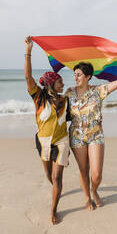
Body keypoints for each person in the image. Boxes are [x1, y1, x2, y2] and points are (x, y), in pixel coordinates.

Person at [65, 50, 117, 210]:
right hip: (76, 136)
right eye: (74, 74)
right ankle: (86, 198)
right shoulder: (69, 92)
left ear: (88, 76)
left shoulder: (98, 91)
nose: (75, 77)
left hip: (95, 135)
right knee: (84, 170)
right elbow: (59, 110)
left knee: (96, 173)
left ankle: (94, 190)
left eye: (79, 74)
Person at [24, 36, 70, 224]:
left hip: (61, 141)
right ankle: (55, 189)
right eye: (60, 82)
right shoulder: (38, 97)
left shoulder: (65, 99)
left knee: (57, 177)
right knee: (49, 176)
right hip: (43, 142)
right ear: (51, 83)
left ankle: (53, 210)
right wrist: (28, 51)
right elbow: (28, 77)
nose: (63, 85)